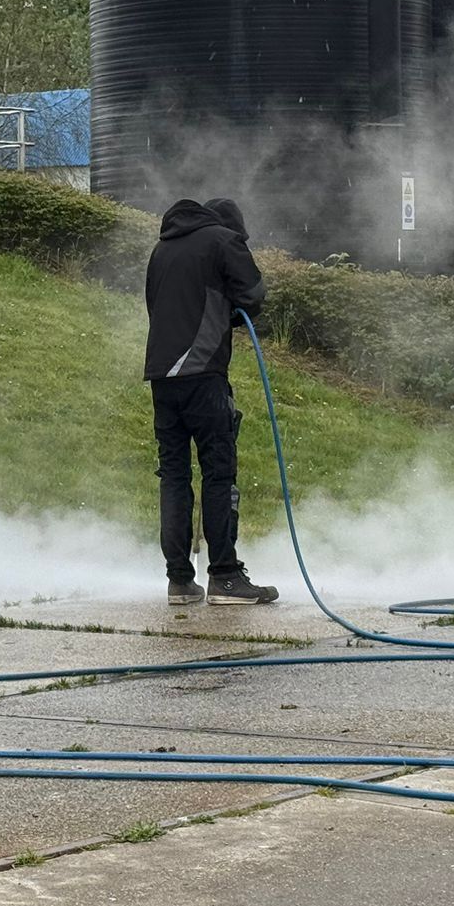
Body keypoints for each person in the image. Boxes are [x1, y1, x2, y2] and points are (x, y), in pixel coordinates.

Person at [143, 196, 280, 605]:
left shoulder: (162, 248)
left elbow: (159, 306)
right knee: (219, 474)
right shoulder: (223, 240)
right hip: (203, 374)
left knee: (174, 475)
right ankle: (225, 577)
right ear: (233, 228)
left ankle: (180, 582)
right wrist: (234, 312)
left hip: (161, 378)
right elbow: (253, 292)